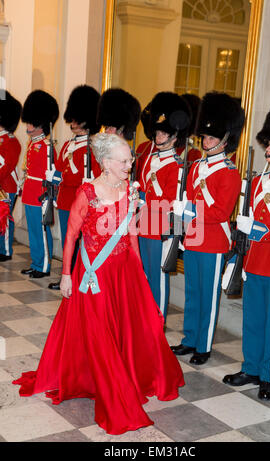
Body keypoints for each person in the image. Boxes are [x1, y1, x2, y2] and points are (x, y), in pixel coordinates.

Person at [13, 133, 184, 435]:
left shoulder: (130, 190)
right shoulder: (87, 192)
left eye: (130, 160)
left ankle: (122, 375)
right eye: (124, 161)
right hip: (92, 276)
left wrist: (140, 273)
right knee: (98, 332)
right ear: (106, 163)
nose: (130, 165)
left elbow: (130, 234)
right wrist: (66, 274)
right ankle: (112, 391)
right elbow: (71, 236)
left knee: (128, 328)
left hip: (124, 273)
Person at [223, 96, 270, 401]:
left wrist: (260, 231)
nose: (268, 149)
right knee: (252, 319)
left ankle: (268, 376)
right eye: (267, 144)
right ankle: (251, 367)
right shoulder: (257, 182)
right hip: (254, 261)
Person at [171, 91, 244, 364]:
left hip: (213, 241)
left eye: (212, 138)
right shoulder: (197, 166)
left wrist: (189, 211)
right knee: (192, 293)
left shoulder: (228, 172)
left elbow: (220, 212)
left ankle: (203, 345)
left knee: (208, 297)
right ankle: (190, 339)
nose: (206, 141)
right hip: (193, 237)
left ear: (225, 140)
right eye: (205, 137)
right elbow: (188, 198)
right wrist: (182, 226)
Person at [138, 91, 191, 319]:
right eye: (157, 131)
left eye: (163, 133)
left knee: (157, 277)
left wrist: (153, 181)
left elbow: (169, 200)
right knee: (144, 275)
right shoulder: (151, 158)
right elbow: (142, 187)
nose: (158, 136)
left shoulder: (177, 165)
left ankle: (156, 321)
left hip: (160, 227)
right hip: (143, 223)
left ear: (173, 136)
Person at [48, 85, 102, 290]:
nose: (73, 123)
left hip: (80, 201)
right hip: (64, 200)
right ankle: (67, 274)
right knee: (67, 240)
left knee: (81, 242)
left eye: (77, 119)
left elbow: (84, 176)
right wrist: (54, 176)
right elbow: (62, 170)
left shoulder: (91, 147)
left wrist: (60, 176)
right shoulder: (68, 145)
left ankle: (79, 275)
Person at [20, 90, 59, 278]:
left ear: (40, 125)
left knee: (42, 232)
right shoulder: (32, 144)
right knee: (33, 231)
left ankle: (44, 266)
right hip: (29, 192)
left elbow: (54, 174)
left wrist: (51, 196)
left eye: (31, 122)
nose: (27, 125)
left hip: (40, 194)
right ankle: (36, 262)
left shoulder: (47, 146)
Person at [0, 91, 22, 261]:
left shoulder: (11, 140)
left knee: (5, 219)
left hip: (7, 185)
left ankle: (6, 251)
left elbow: (7, 165)